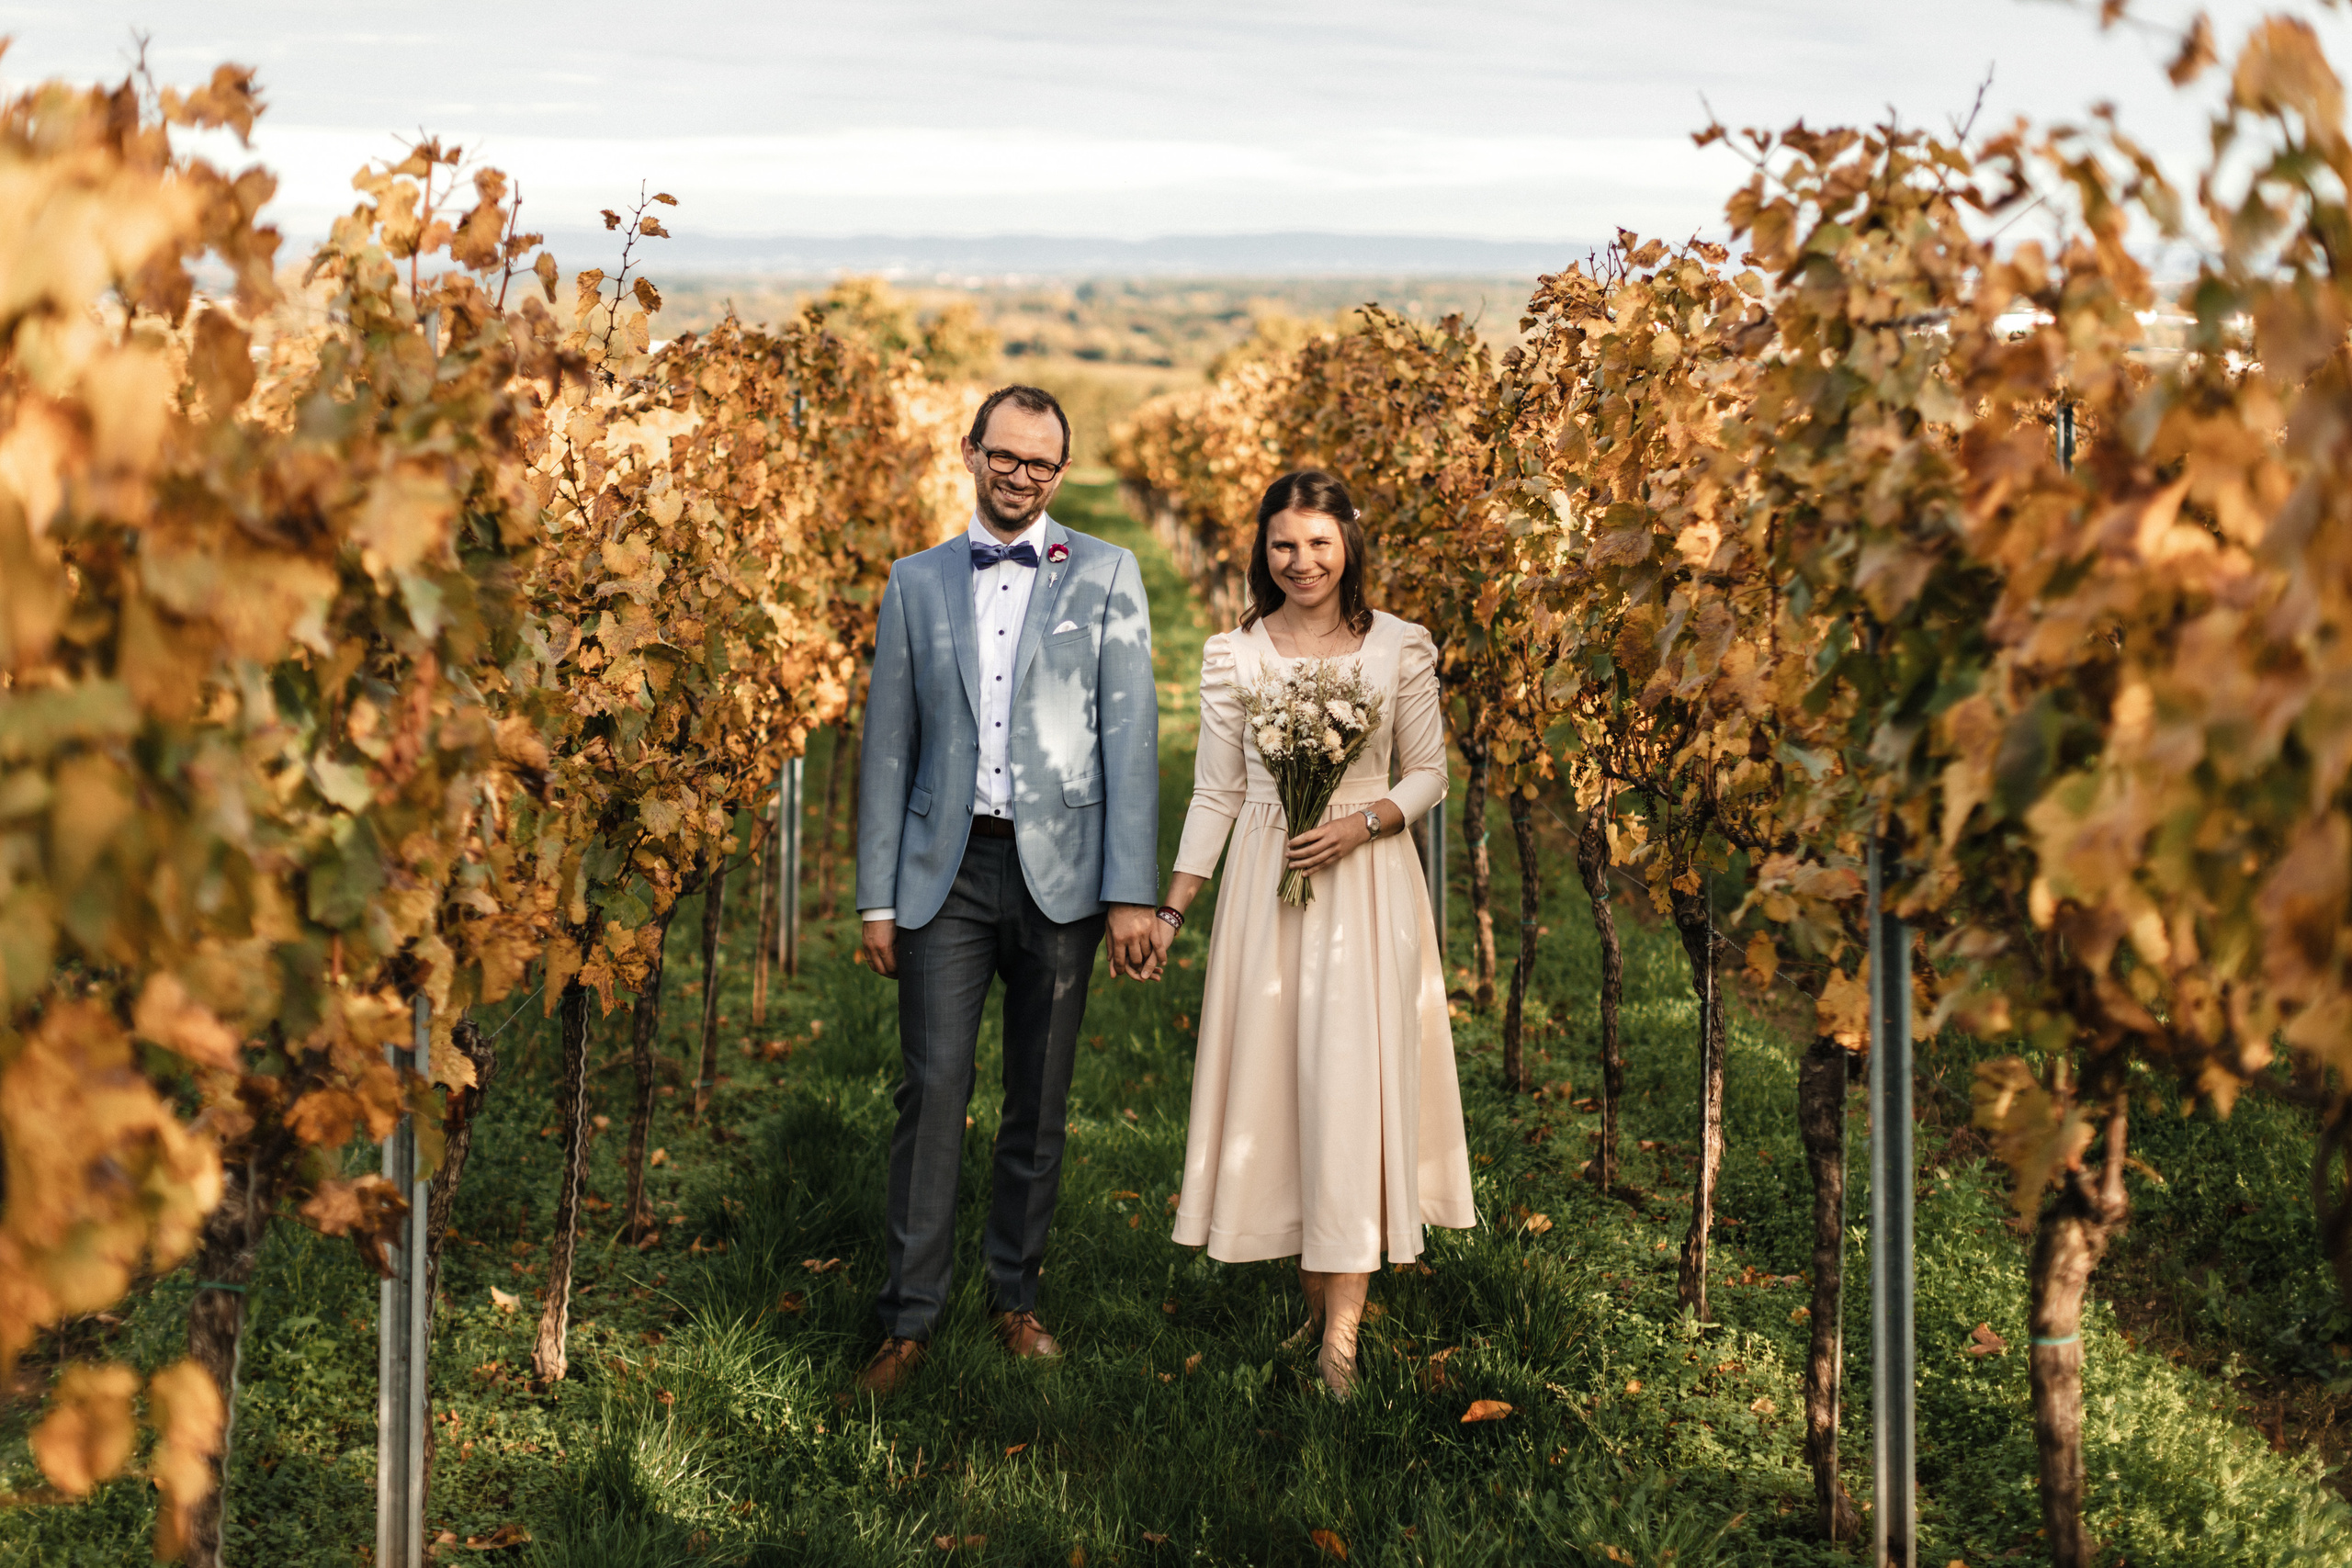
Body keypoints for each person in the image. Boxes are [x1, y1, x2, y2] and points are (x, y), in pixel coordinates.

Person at [853, 385, 1161, 1396]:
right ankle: (908, 1320)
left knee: (1039, 1095)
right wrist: (876, 898)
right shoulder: (915, 580)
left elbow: (1132, 739)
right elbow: (886, 745)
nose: (1021, 475)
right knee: (932, 1090)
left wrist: (1129, 891)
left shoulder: (1107, 573)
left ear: (1060, 471)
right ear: (971, 452)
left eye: (1041, 462)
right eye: (1006, 455)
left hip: (1061, 876)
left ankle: (1015, 1296)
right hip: (944, 871)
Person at [1152, 468, 1476, 1400]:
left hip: (1366, 885)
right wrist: (1174, 908)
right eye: (1284, 544)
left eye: (1319, 543)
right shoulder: (1235, 654)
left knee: (1347, 1083)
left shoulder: (1398, 645)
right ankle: (1312, 1294)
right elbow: (1217, 791)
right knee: (1284, 1086)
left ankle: (1342, 1335)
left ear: (1348, 546)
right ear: (1263, 549)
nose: (1302, 562)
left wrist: (1361, 823)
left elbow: (1429, 774)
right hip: (1267, 888)